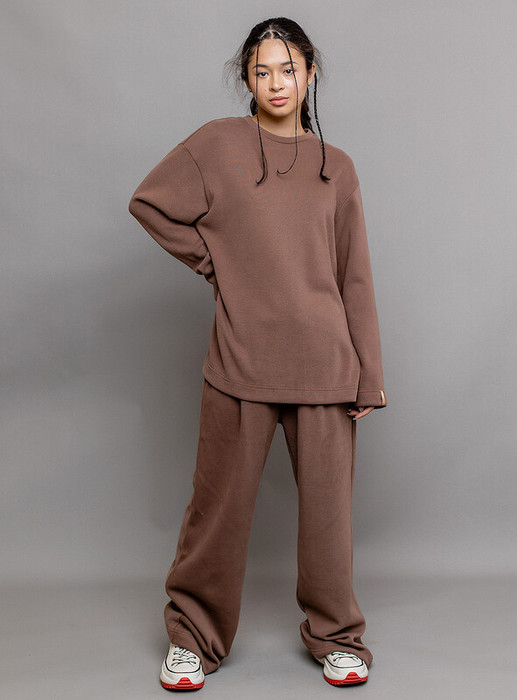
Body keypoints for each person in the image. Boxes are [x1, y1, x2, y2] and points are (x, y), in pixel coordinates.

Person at [128, 16, 387, 691]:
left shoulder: (337, 168)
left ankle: (337, 637)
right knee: (216, 511)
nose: (276, 83)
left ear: (310, 72)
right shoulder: (218, 145)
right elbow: (150, 204)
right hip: (239, 361)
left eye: (288, 69)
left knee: (328, 520)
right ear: (246, 79)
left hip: (326, 366)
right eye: (261, 70)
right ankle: (192, 638)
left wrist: (369, 375)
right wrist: (215, 263)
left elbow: (354, 275)